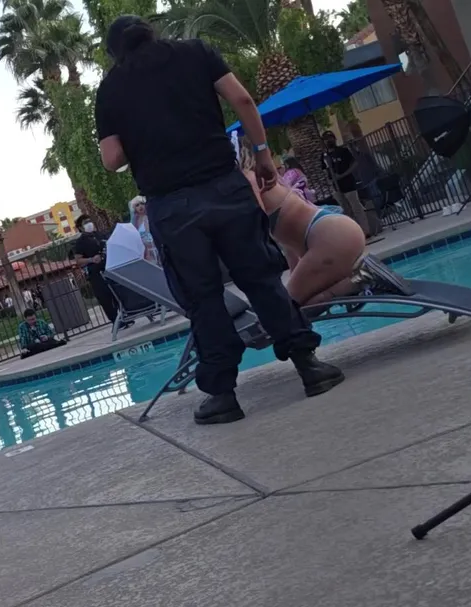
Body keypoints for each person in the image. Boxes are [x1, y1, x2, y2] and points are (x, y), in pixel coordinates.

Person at [95, 16, 343, 424]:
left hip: (172, 206)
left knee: (203, 298)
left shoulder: (111, 89)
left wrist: (139, 135)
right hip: (225, 188)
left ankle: (223, 396)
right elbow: (242, 100)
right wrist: (262, 154)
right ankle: (310, 366)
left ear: (114, 52)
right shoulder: (195, 53)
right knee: (261, 279)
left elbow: (112, 159)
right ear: (150, 33)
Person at [238, 138, 405, 309]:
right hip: (335, 232)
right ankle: (359, 279)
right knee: (300, 308)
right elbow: (290, 250)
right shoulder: (271, 179)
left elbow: (256, 225)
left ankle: (363, 278)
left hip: (330, 238)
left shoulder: (250, 178)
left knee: (287, 311)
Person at [70, 214, 130, 329]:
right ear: (81, 227)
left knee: (117, 292)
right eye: (85, 223)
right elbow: (78, 260)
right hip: (96, 273)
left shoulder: (99, 235)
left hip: (109, 268)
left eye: (89, 221)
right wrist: (91, 259)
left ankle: (125, 315)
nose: (89, 224)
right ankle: (115, 321)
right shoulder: (80, 242)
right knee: (105, 297)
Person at [322, 131, 371, 237]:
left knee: (356, 207)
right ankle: (353, 233)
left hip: (348, 184)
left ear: (334, 139)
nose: (328, 141)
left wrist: (343, 174)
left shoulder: (343, 151)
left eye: (330, 138)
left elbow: (354, 163)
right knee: (346, 211)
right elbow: (324, 170)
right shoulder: (324, 156)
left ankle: (365, 231)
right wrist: (330, 180)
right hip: (336, 187)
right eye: (326, 139)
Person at [128, 196, 159, 263]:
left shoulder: (148, 217)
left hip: (153, 249)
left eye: (142, 203)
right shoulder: (135, 221)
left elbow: (150, 235)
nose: (140, 206)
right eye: (137, 205)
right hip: (143, 252)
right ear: (134, 208)